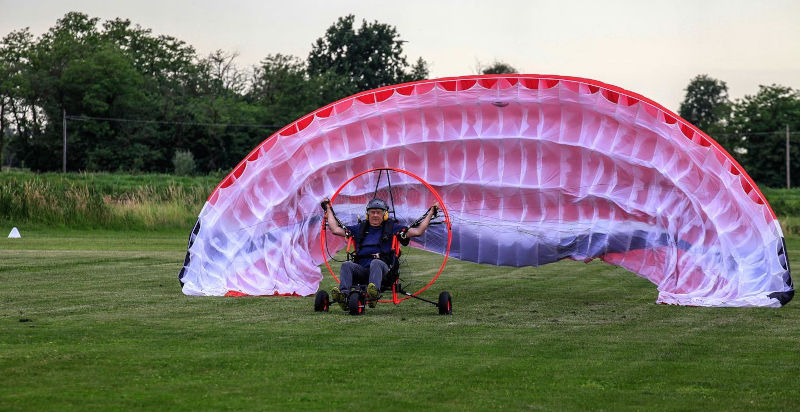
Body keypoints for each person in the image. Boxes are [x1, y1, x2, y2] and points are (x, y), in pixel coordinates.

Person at [322, 197, 439, 310]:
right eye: (372, 212)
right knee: (346, 264)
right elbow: (335, 229)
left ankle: (373, 294)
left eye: (378, 212)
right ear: (367, 214)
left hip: (385, 271)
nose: (375, 215)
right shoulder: (359, 229)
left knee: (376, 262)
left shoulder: (392, 228)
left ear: (385, 214)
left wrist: (431, 213)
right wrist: (328, 208)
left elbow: (418, 231)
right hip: (363, 270)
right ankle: (343, 295)